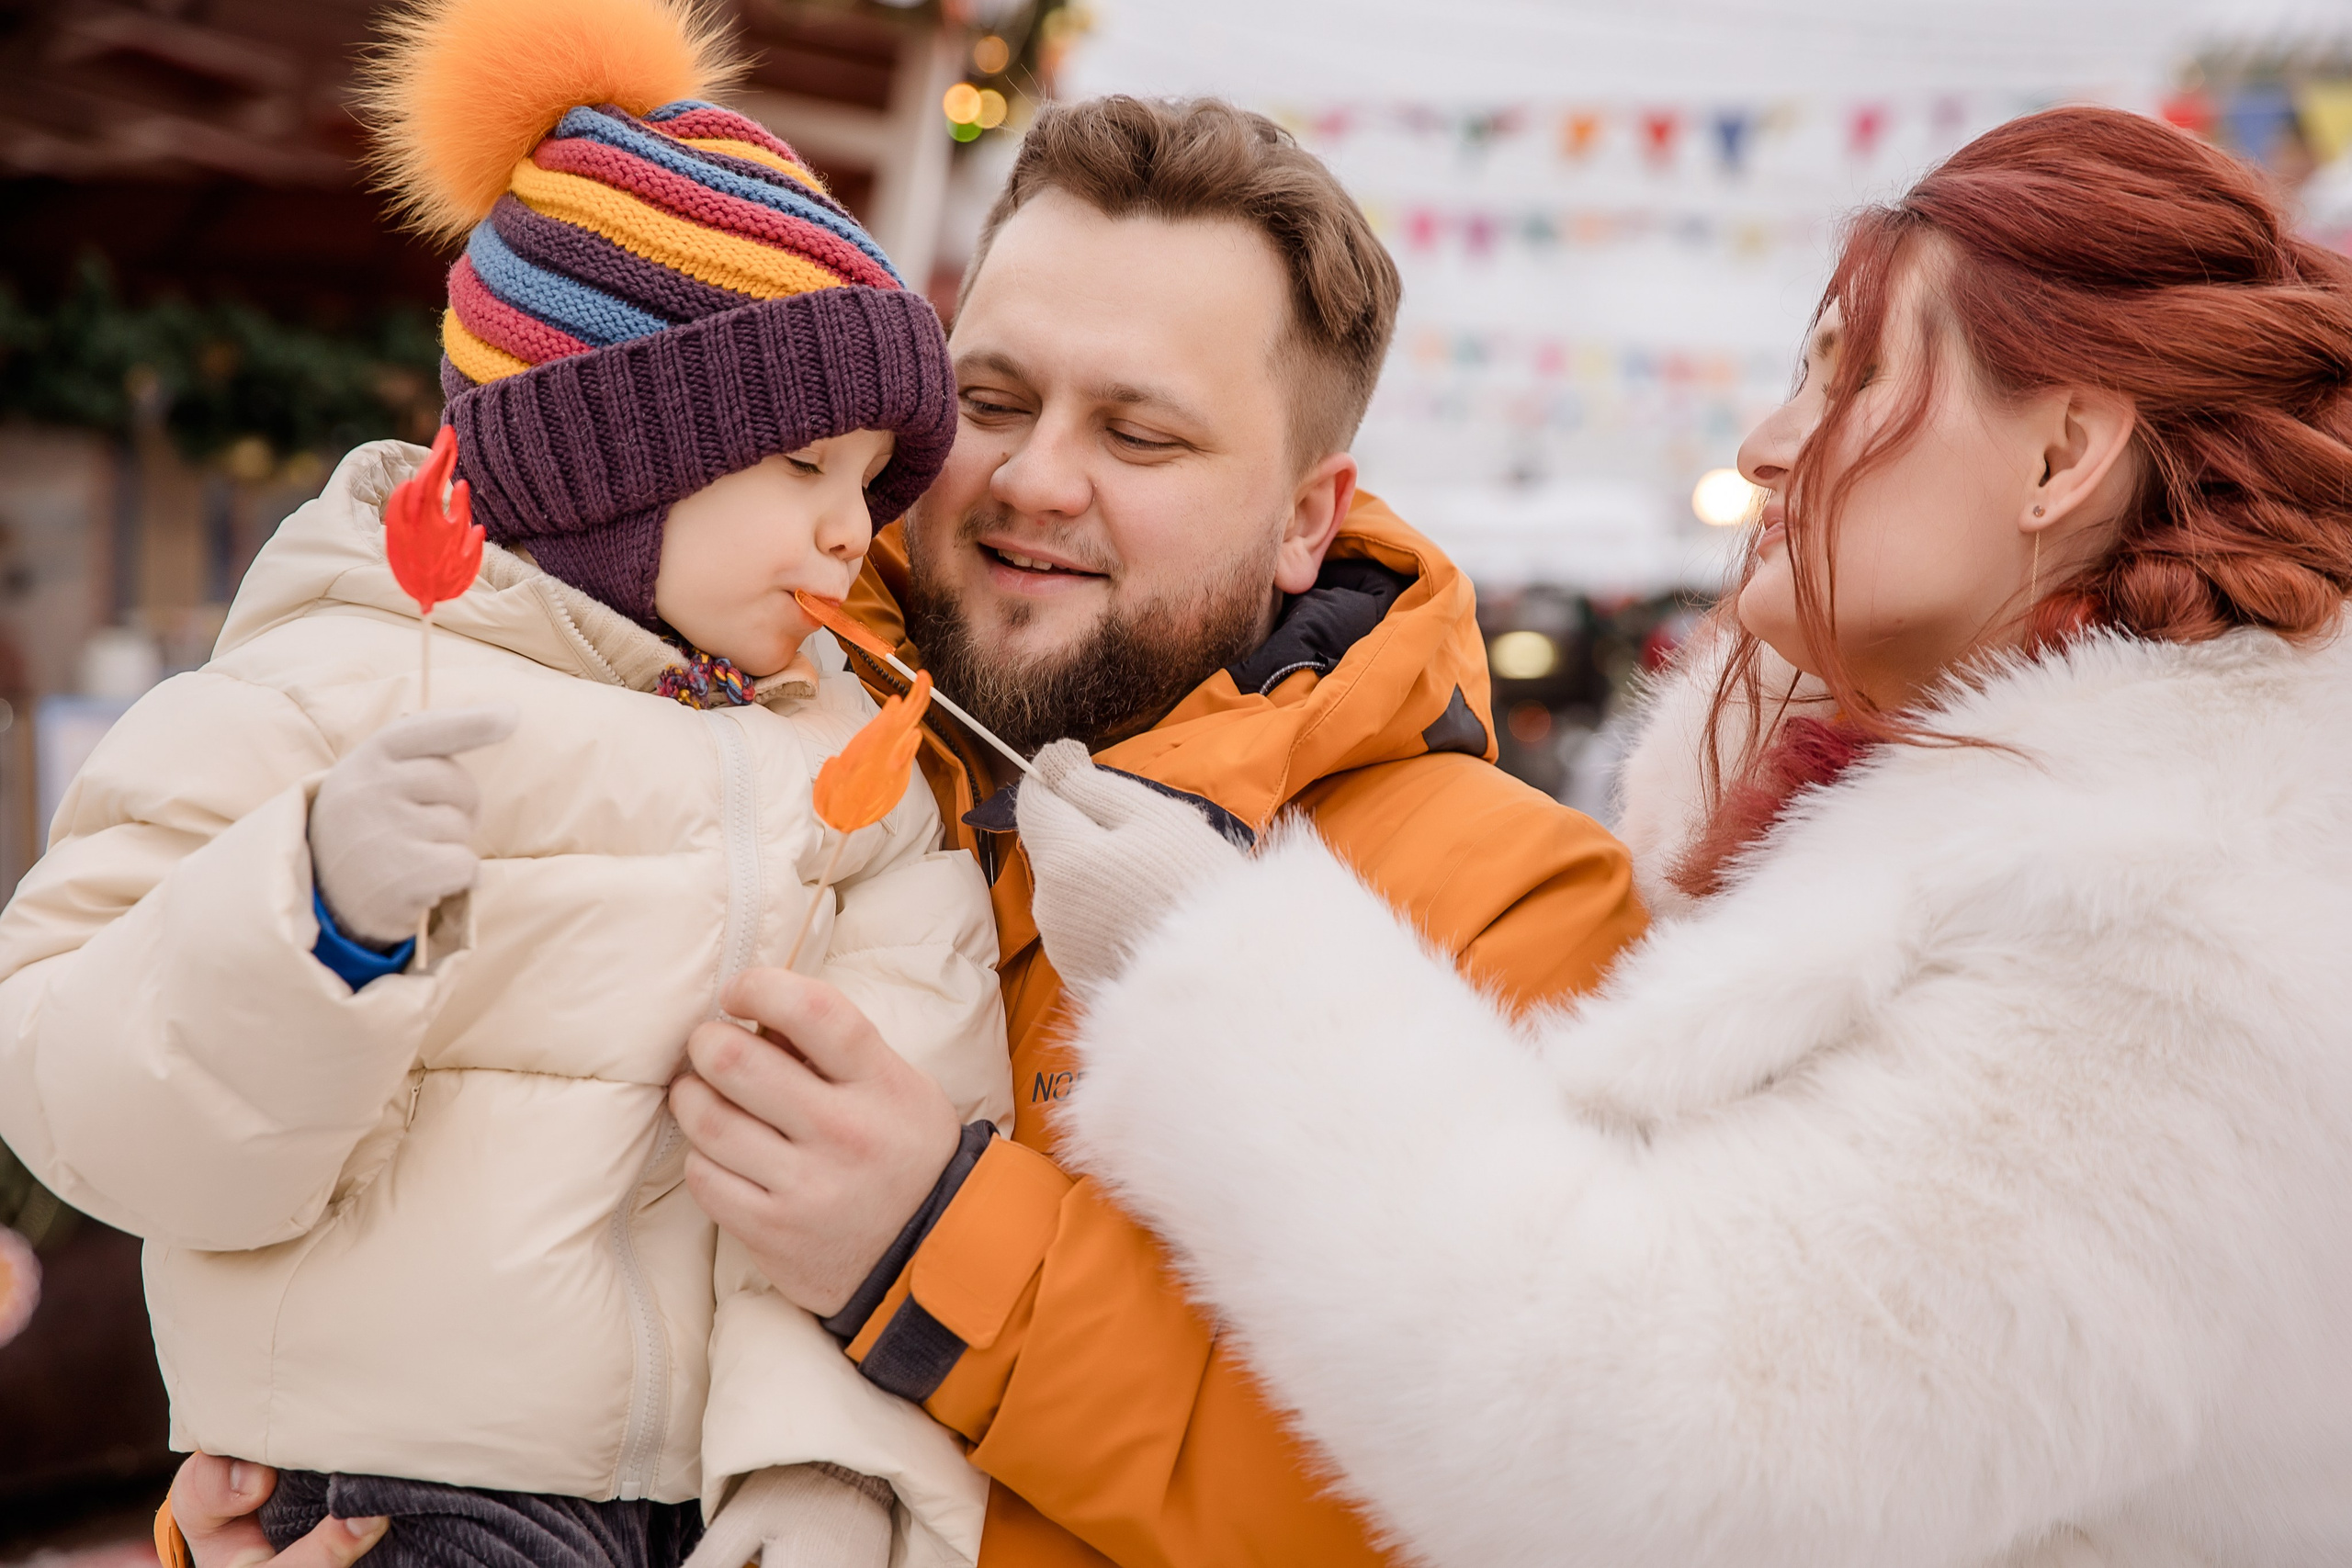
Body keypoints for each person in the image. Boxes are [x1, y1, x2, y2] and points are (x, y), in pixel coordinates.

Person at [166, 91, 1646, 1567]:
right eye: (993, 402)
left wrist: (931, 1240)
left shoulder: (1514, 905)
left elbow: (1508, 1500)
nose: (1032, 478)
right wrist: (294, 1490)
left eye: (1140, 434)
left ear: (1306, 519)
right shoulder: (717, 728)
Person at [1008, 105, 2352, 1566]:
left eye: (1850, 382)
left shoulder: (2177, 944)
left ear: (2063, 455)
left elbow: (1679, 1461)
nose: (1768, 447)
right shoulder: (1987, 862)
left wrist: (1210, 968)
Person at [0, 0, 1011, 1564]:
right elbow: (83, 1101)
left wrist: (830, 1470)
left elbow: (907, 1148)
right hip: (402, 1488)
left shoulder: (852, 779)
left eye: (874, 480)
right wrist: (314, 920)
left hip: (713, 1497)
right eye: (803, 467)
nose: (850, 532)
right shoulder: (328, 688)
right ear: (611, 460)